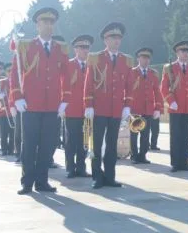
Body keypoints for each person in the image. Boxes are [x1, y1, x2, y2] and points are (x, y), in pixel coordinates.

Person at [10, 7, 69, 194]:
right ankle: (27, 182)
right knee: (29, 144)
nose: (49, 26)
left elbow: (66, 76)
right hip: (31, 104)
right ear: (37, 24)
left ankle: (42, 181)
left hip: (52, 105)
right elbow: (14, 74)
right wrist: (17, 97)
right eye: (45, 22)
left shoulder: (61, 49)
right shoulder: (26, 46)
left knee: (48, 144)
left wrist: (65, 100)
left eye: (52, 22)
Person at [84, 22, 132, 189]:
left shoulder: (126, 60)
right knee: (96, 144)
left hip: (116, 109)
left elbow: (129, 85)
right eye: (113, 37)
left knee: (112, 145)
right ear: (105, 39)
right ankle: (97, 176)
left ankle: (110, 176)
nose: (116, 40)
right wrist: (88, 104)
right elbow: (88, 83)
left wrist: (128, 105)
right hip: (99, 108)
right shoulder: (95, 57)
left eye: (119, 37)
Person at [59, 34, 93, 178]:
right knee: (71, 141)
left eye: (87, 47)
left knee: (84, 140)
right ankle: (70, 168)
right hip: (72, 109)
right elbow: (61, 85)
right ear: (75, 49)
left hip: (87, 110)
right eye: (82, 47)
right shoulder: (68, 65)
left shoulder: (92, 66)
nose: (85, 50)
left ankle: (81, 167)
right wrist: (61, 105)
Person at [162, 41, 188, 172]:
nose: (186, 53)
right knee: (176, 136)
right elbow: (164, 88)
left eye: (187, 51)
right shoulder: (169, 68)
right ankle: (175, 163)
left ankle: (184, 163)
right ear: (177, 53)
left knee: (186, 136)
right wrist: (171, 101)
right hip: (175, 107)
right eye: (183, 51)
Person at [128, 47, 162, 165]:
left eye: (148, 58)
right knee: (134, 134)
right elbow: (126, 90)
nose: (146, 60)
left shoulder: (153, 74)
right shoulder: (132, 72)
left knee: (145, 134)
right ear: (138, 58)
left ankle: (142, 155)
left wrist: (158, 108)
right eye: (143, 57)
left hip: (148, 109)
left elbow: (157, 92)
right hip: (135, 109)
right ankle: (134, 155)